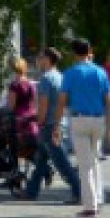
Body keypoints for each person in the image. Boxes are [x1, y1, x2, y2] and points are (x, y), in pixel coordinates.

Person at [59, 38, 110, 218]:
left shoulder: (70, 73)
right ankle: (98, 197)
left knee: (84, 165)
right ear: (89, 51)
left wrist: (55, 124)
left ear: (73, 53)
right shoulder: (100, 72)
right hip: (98, 120)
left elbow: (62, 101)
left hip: (79, 119)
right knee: (94, 161)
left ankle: (90, 205)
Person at [22, 48, 81, 202]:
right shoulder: (61, 77)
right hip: (60, 123)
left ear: (48, 60)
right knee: (41, 159)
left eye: (40, 57)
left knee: (62, 164)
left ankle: (79, 191)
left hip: (49, 126)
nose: (38, 60)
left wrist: (38, 120)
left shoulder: (46, 79)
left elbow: (43, 104)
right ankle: (31, 191)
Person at [3, 57, 39, 157]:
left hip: (18, 118)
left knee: (9, 139)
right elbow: (34, 102)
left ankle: (13, 166)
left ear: (13, 70)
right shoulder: (31, 84)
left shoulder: (14, 85)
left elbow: (11, 106)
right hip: (30, 118)